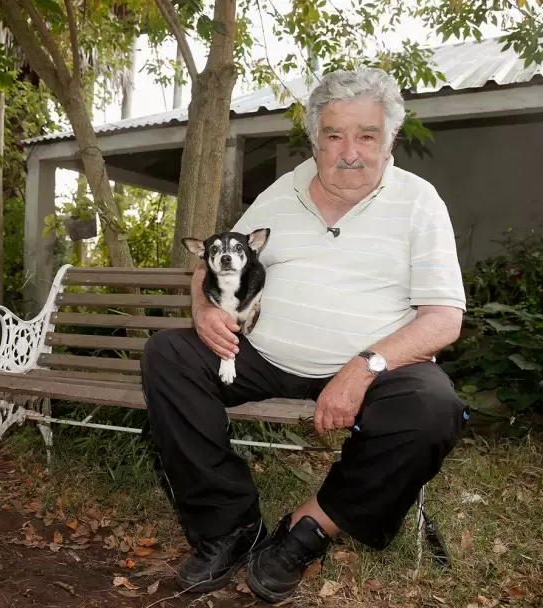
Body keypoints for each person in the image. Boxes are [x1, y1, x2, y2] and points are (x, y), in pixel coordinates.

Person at [139, 66, 469, 604]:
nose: (350, 152)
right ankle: (228, 525)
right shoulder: (279, 193)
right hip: (263, 353)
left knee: (433, 407)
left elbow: (443, 319)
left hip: (372, 364)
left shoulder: (419, 201)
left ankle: (308, 529)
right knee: (168, 355)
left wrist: (363, 367)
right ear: (316, 140)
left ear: (389, 142)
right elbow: (210, 270)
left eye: (367, 136)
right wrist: (203, 312)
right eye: (334, 136)